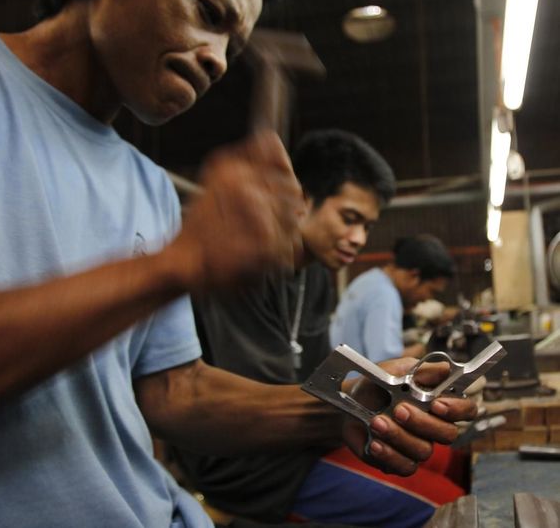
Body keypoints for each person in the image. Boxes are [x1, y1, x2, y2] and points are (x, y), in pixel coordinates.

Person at [0, 0, 476, 527]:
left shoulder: (147, 185)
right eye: (207, 12)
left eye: (233, 43)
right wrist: (177, 264)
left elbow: (175, 391)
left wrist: (346, 407)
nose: (218, 58)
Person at [174, 131, 465, 528]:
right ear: (302, 200)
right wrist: (358, 402)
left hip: (304, 444)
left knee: (450, 456)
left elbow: (316, 380)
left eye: (368, 225)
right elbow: (245, 402)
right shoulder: (244, 272)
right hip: (248, 467)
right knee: (448, 508)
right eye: (349, 219)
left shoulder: (315, 279)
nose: (359, 238)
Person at [330, 234, 456, 363]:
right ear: (414, 276)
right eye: (431, 291)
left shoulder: (370, 280)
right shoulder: (384, 295)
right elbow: (386, 363)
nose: (428, 299)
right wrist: (427, 347)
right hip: (355, 381)